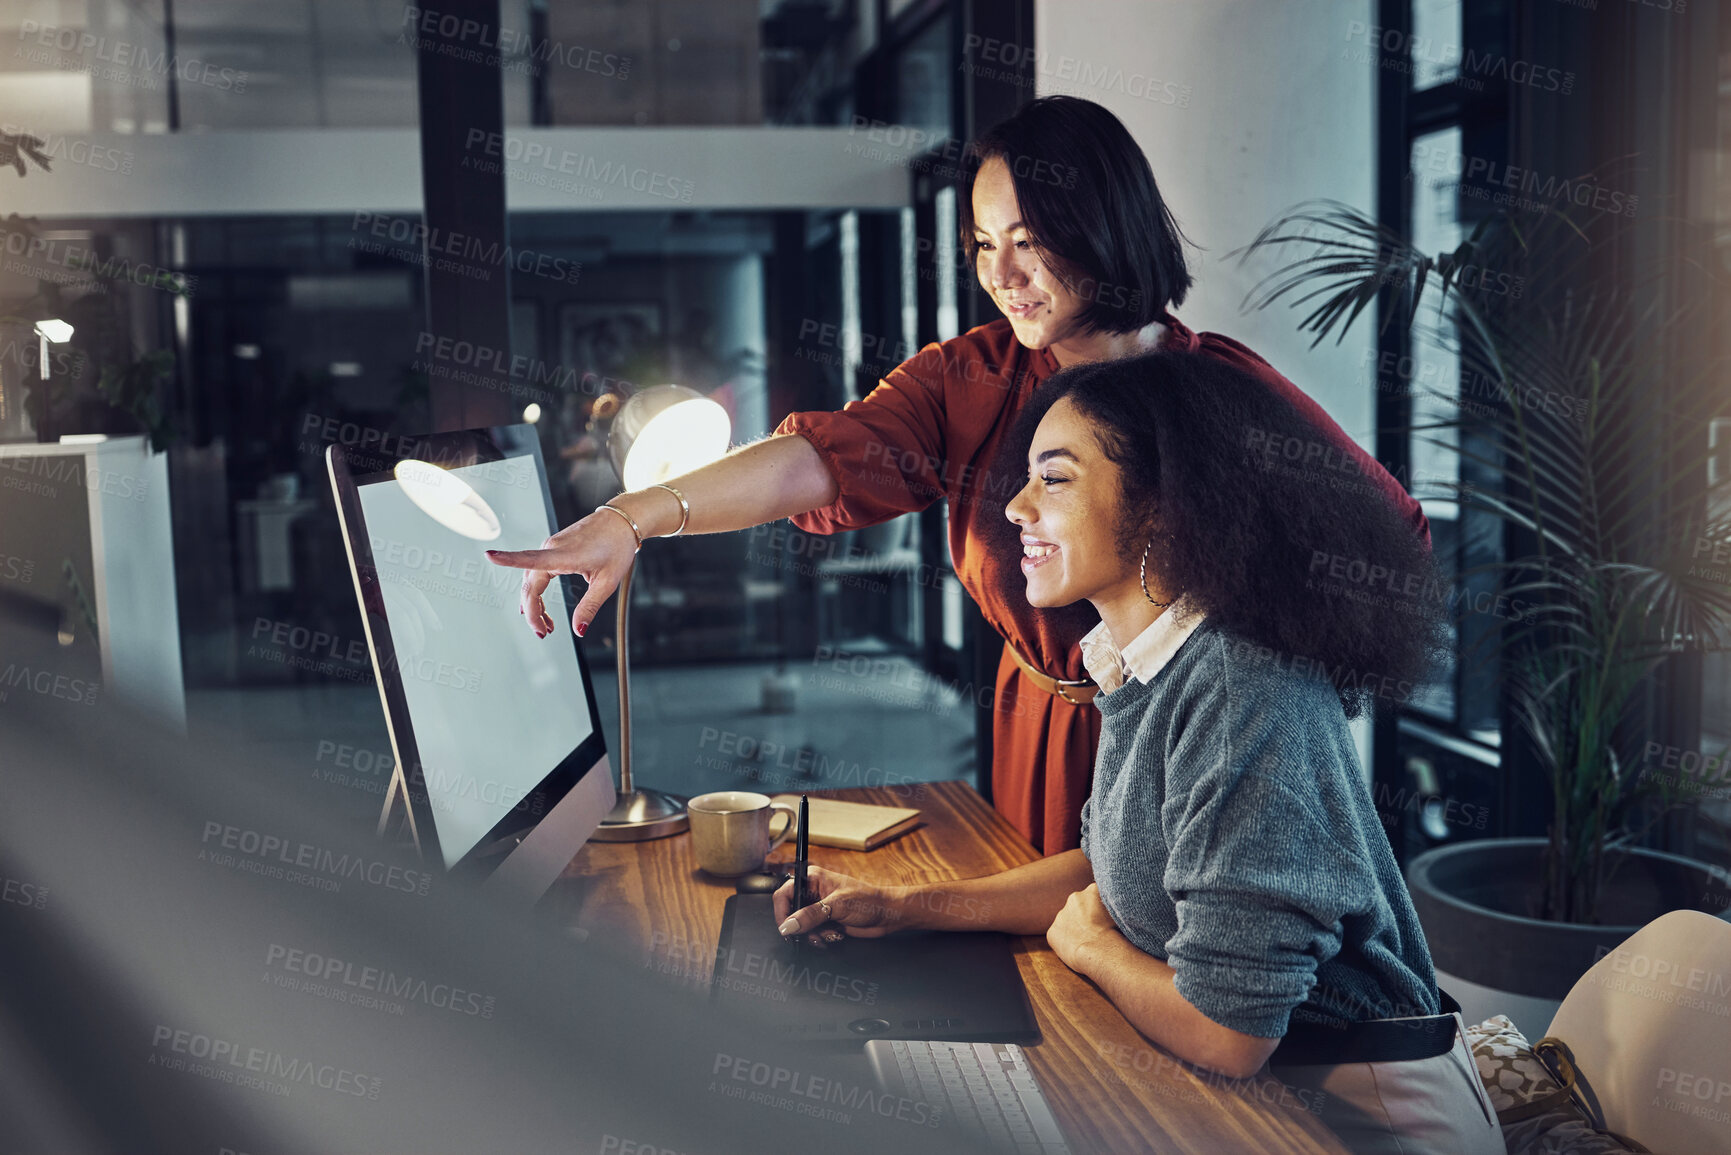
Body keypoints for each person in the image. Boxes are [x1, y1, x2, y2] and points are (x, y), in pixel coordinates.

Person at [487, 95, 1428, 855]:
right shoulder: (968, 378)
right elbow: (818, 459)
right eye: (983, 244)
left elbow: (1385, 536)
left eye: (1029, 238)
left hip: (1182, 745)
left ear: (1101, 224)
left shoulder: (1218, 390)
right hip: (1035, 727)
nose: (1002, 273)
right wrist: (635, 515)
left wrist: (1265, 693)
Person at [772, 351, 1503, 1155]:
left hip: (1363, 1118)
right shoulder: (1145, 657)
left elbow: (1231, 1033)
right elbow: (1111, 867)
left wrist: (1092, 948)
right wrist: (907, 908)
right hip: (1265, 1097)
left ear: (1161, 508)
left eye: (1052, 480)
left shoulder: (1236, 691)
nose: (1013, 507)